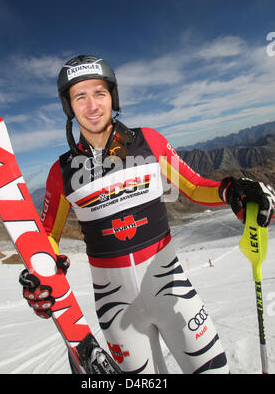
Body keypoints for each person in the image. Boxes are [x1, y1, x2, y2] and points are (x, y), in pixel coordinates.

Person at [20, 54, 275, 374]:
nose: (92, 104)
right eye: (80, 97)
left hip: (174, 292)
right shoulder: (60, 173)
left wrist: (232, 191)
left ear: (113, 97)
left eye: (99, 92)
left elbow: (194, 188)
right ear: (69, 107)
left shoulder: (149, 141)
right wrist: (43, 276)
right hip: (116, 312)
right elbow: (48, 238)